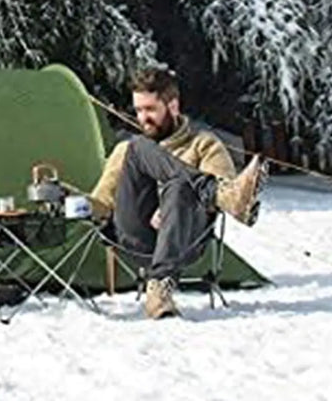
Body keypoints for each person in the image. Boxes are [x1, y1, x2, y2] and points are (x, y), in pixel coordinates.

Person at [89, 68, 267, 319]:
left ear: (173, 106)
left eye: (150, 109)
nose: (142, 118)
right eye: (138, 110)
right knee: (137, 147)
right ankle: (217, 193)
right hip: (136, 239)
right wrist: (70, 200)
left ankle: (159, 290)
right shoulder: (129, 151)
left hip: (185, 238)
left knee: (180, 187)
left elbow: (216, 196)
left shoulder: (204, 144)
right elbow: (102, 203)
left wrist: (173, 209)